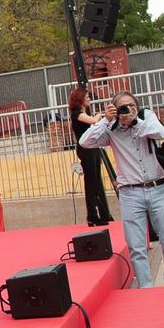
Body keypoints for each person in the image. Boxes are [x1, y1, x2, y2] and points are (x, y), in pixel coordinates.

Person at [77, 93, 164, 288]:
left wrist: (136, 120)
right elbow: (85, 142)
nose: (127, 110)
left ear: (137, 106)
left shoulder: (147, 116)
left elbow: (161, 133)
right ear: (114, 109)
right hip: (130, 193)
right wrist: (105, 121)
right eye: (122, 107)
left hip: (158, 188)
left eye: (131, 105)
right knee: (137, 246)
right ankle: (146, 287)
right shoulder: (111, 128)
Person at [68, 86, 113, 225]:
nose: (89, 99)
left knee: (97, 181)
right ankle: (92, 216)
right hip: (85, 149)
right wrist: (101, 115)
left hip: (93, 147)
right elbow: (94, 121)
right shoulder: (76, 114)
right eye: (87, 97)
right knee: (91, 182)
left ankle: (103, 214)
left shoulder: (83, 113)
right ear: (80, 99)